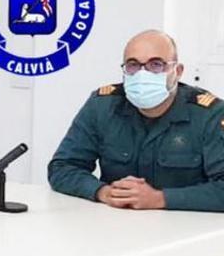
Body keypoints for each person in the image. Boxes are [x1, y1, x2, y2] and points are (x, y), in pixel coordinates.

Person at [48, 29, 224, 212]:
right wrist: (102, 192)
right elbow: (62, 167)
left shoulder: (210, 114)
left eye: (156, 64)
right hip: (114, 226)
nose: (142, 74)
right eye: (133, 65)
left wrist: (160, 199)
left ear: (177, 71)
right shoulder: (102, 106)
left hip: (188, 231)